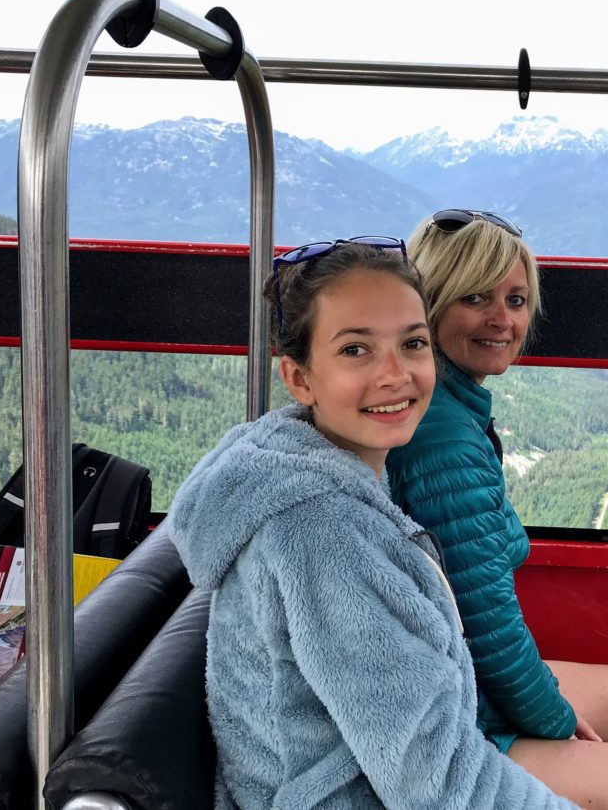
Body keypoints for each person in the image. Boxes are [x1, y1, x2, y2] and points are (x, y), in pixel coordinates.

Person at [168, 238, 577, 810]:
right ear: (300, 378)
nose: (396, 375)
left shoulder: (327, 473)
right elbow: (436, 783)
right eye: (356, 350)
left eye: (412, 343)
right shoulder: (321, 534)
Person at [387, 211, 608, 810]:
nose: (502, 320)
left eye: (516, 299)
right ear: (429, 304)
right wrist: (556, 723)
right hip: (439, 712)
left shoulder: (448, 405)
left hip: (445, 673)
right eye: (474, 297)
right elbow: (488, 628)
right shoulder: (445, 439)